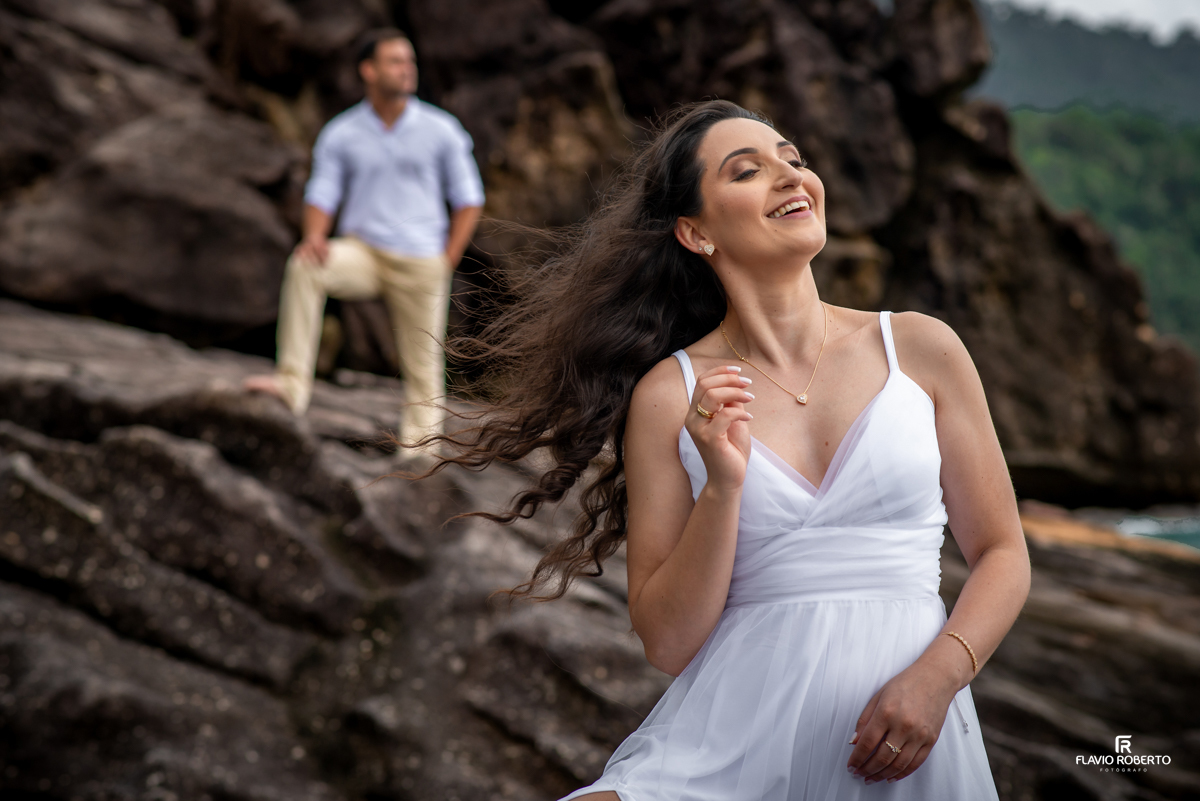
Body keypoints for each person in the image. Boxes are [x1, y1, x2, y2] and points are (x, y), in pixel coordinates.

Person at [416, 100, 1030, 798]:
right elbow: (668, 641)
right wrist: (722, 487)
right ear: (696, 230)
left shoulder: (920, 347)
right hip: (729, 749)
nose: (790, 175)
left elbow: (1003, 552)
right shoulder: (671, 395)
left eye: (793, 159)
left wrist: (938, 676)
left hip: (907, 746)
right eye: (749, 170)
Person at [245, 28, 484, 449]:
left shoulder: (441, 129)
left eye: (409, 61)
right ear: (368, 71)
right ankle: (291, 385)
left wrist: (446, 259)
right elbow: (322, 192)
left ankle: (422, 453)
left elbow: (469, 199)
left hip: (422, 259)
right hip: (364, 252)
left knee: (423, 364)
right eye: (395, 61)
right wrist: (315, 236)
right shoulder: (342, 132)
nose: (406, 69)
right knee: (305, 265)